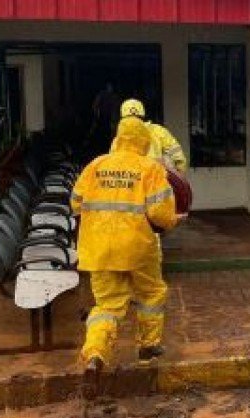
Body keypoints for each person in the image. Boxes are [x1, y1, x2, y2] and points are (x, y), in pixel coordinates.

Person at [71, 116, 181, 381]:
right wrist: (174, 220)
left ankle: (95, 354)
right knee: (150, 295)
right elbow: (162, 215)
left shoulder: (95, 166)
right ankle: (148, 347)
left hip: (98, 249)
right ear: (144, 141)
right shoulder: (150, 169)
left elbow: (75, 203)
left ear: (118, 139)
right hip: (137, 248)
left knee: (107, 306)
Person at [112, 99, 187, 175]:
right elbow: (178, 158)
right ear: (142, 114)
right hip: (157, 180)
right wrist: (179, 178)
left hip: (132, 181)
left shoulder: (119, 138)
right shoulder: (159, 131)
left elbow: (113, 164)